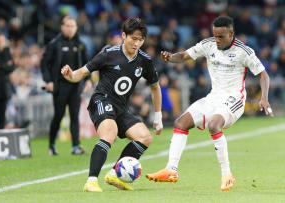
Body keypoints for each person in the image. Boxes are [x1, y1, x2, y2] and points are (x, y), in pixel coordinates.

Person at [146, 16, 274, 191]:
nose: (217, 40)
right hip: (213, 97)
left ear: (231, 33)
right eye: (215, 35)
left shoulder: (244, 51)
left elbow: (263, 75)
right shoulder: (208, 44)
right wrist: (170, 57)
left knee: (214, 124)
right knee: (180, 123)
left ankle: (227, 174)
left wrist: (264, 98)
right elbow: (184, 55)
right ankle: (171, 170)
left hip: (234, 99)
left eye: (221, 36)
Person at [61, 18, 163, 192]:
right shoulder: (109, 54)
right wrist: (70, 75)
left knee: (145, 137)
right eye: (133, 38)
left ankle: (114, 174)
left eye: (141, 40)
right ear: (124, 35)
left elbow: (155, 87)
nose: (137, 43)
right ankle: (91, 181)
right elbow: (82, 73)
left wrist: (158, 115)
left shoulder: (145, 60)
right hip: (101, 100)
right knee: (110, 132)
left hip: (121, 108)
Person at [40, 16, 91, 155]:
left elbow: (87, 64)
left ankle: (75, 146)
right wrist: (48, 81)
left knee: (75, 115)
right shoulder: (55, 43)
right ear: (62, 27)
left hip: (75, 86)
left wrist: (88, 80)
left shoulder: (80, 44)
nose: (70, 29)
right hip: (60, 86)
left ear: (76, 28)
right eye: (67, 26)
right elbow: (44, 64)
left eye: (72, 26)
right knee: (59, 115)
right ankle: (51, 145)